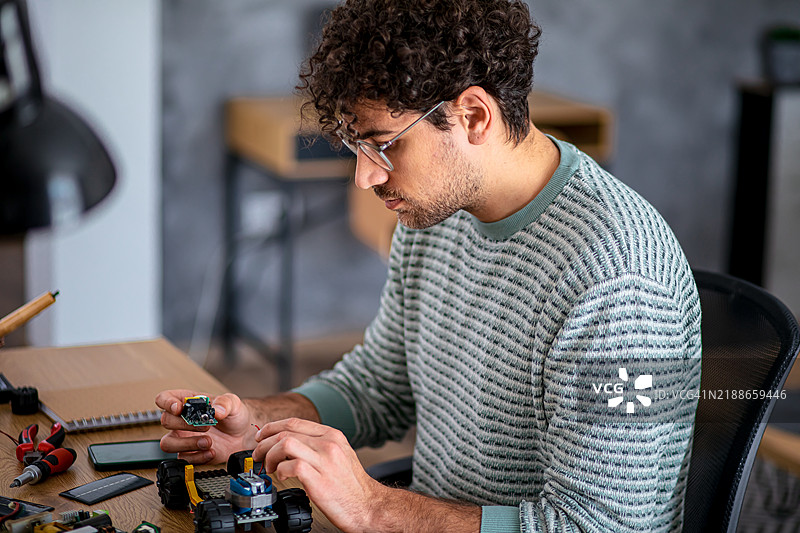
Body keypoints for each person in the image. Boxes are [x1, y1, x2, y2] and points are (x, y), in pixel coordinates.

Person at [157, 0, 702, 531]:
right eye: (355, 145)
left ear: (473, 116)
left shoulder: (619, 279)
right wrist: (258, 424)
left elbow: (603, 525)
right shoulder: (437, 215)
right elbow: (381, 384)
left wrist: (376, 510)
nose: (364, 177)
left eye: (383, 145)